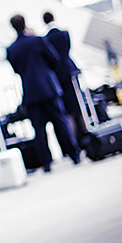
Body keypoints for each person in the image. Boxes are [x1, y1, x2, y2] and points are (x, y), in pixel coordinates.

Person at [6, 15, 80, 172]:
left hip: (30, 92)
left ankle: (46, 163)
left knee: (38, 129)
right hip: (47, 88)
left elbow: (16, 70)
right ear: (25, 24)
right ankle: (73, 155)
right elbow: (54, 58)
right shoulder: (37, 40)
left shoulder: (11, 49)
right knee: (60, 122)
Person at [43, 12, 81, 157]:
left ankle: (73, 143)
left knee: (66, 111)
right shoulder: (64, 33)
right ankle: (84, 138)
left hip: (57, 75)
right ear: (54, 18)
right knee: (78, 106)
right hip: (70, 71)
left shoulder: (45, 39)